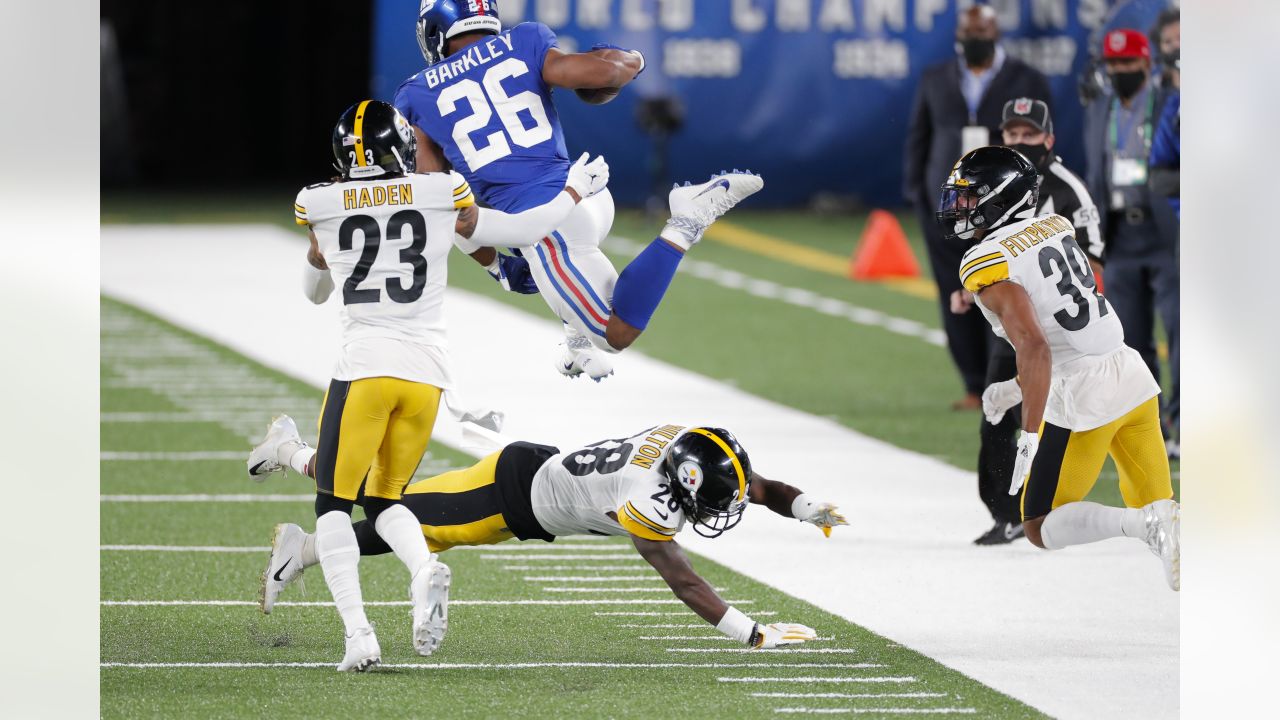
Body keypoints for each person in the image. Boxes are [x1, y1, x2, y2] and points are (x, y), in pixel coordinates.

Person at [282, 99, 611, 672]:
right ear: (403, 149)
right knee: (385, 499)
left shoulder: (317, 202)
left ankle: (358, 634)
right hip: (427, 378)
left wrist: (320, 245)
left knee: (334, 505)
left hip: (364, 370)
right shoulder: (442, 191)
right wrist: (573, 193)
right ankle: (421, 570)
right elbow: (521, 230)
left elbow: (313, 294)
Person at [394, 0, 762, 381]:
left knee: (614, 333)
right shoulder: (525, 38)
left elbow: (440, 203)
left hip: (549, 223)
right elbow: (607, 72)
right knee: (543, 263)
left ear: (435, 29)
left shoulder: (417, 94)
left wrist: (494, 267)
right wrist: (633, 59)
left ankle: (686, 221)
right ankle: (576, 337)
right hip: (590, 192)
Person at [251, 418, 849, 650]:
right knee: (390, 507)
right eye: (711, 502)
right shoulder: (647, 501)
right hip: (511, 498)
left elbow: (756, 485)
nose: (720, 510)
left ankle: (299, 551)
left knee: (407, 520)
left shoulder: (682, 445)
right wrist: (753, 635)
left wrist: (805, 506)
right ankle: (292, 451)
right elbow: (684, 582)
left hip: (536, 471)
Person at [938, 146, 1179, 590]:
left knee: (1039, 525)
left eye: (970, 197)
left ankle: (1142, 526)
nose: (960, 206)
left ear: (1000, 199)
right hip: (1129, 373)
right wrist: (1013, 389)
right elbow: (1063, 326)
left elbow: (1035, 346)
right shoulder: (1055, 224)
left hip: (1084, 399)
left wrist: (1029, 432)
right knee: (1162, 509)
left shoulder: (984, 261)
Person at [953, 99, 1104, 545]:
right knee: (996, 413)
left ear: (1048, 139)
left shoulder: (1067, 188)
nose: (1019, 141)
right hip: (1016, 323)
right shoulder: (994, 184)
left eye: (1029, 134)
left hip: (1060, 328)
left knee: (1055, 419)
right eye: (1012, 134)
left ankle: (1043, 510)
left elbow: (1092, 260)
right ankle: (1008, 512)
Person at [904, 4, 1053, 411]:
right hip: (949, 208)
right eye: (968, 31)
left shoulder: (1027, 79)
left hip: (1001, 210)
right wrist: (917, 193)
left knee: (1002, 292)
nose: (974, 39)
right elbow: (920, 136)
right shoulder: (936, 78)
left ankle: (1005, 379)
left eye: (982, 31)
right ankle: (973, 384)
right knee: (954, 293)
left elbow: (1039, 141)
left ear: (996, 32)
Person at [1083, 28, 1179, 455]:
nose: (1121, 70)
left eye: (1128, 63)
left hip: (1165, 233)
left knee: (1182, 334)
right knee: (1130, 342)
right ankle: (1150, 426)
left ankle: (1185, 420)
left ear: (1146, 63)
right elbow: (1096, 171)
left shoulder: (1166, 103)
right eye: (1114, 64)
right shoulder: (1100, 108)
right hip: (1119, 235)